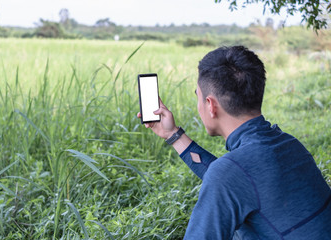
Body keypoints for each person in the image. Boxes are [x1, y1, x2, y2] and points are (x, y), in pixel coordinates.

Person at [137, 46, 331, 239]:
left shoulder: (230, 173)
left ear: (211, 105)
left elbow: (231, 177)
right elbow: (238, 179)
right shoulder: (290, 144)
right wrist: (172, 133)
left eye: (198, 96)